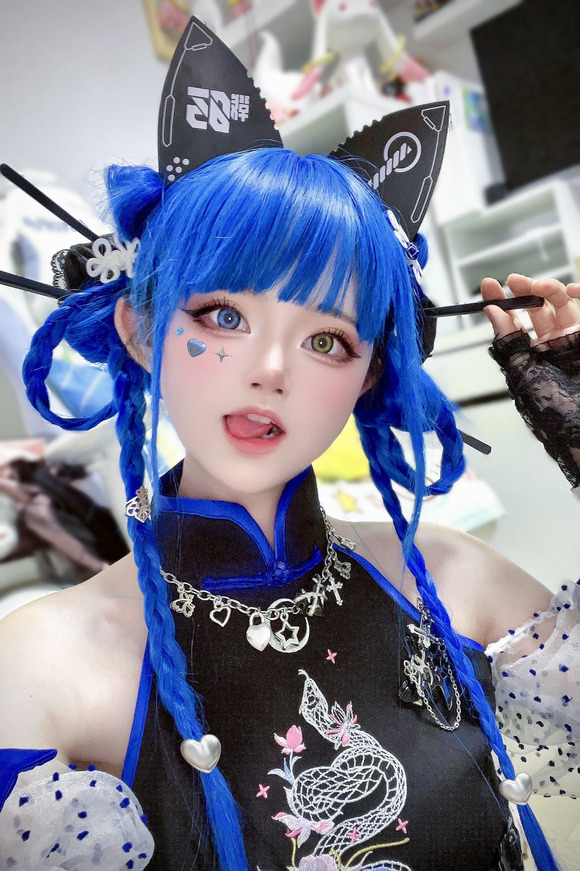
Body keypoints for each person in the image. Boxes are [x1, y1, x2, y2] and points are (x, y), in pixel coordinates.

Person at [0, 18, 578, 871]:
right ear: (140, 328)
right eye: (222, 315)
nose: (270, 370)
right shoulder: (39, 660)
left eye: (326, 340)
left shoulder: (453, 576)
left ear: (369, 375)